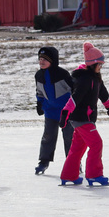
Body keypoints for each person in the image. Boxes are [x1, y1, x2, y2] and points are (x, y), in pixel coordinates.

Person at [58, 42, 109, 186]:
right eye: (100, 64)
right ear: (93, 64)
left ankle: (69, 175)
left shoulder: (96, 78)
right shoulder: (85, 79)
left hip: (85, 118)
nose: (101, 67)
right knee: (96, 144)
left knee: (78, 147)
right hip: (82, 118)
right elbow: (75, 98)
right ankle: (94, 175)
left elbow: (103, 94)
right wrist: (65, 113)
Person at [33, 46, 74, 175]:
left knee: (69, 137)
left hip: (66, 111)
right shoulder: (39, 75)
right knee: (48, 136)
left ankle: (74, 162)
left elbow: (74, 90)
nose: (41, 61)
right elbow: (39, 91)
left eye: (45, 59)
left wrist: (74, 105)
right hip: (50, 111)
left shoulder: (62, 74)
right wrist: (40, 104)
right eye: (40, 59)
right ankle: (43, 161)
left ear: (53, 60)